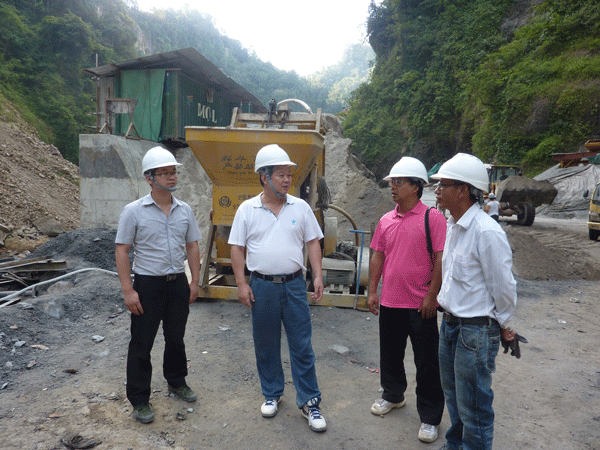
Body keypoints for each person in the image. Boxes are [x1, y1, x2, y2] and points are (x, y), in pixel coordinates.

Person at [228, 144, 327, 433]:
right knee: (266, 343)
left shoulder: (301, 208)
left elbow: (313, 242)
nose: (287, 180)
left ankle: (310, 401)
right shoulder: (247, 210)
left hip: (294, 285)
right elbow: (237, 248)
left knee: (302, 345)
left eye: (289, 175)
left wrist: (317, 276)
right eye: (281, 174)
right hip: (262, 286)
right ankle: (272, 393)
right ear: (264, 177)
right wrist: (241, 283)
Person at [431, 153, 521, 450]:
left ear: (462, 190)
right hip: (451, 325)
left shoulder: (486, 231)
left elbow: (503, 286)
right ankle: (455, 445)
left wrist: (505, 324)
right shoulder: (453, 225)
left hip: (476, 331)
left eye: (444, 184)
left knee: (474, 405)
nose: (437, 190)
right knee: (454, 397)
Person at [115, 146, 202, 424]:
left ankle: (177, 381)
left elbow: (192, 245)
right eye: (164, 173)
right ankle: (140, 399)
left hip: (177, 283)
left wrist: (195, 281)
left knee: (176, 338)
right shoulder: (133, 212)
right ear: (149, 178)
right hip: (147, 286)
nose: (171, 176)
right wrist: (128, 290)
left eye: (173, 172)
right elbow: (122, 250)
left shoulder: (184, 210)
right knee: (142, 343)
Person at [368, 156, 446, 444]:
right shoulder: (385, 220)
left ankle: (430, 417)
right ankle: (393, 395)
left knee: (427, 362)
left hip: (420, 304)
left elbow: (440, 259)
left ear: (416, 186)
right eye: (392, 182)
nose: (393, 187)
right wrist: (372, 290)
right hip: (391, 301)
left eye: (399, 182)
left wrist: (431, 295)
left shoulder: (432, 218)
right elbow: (377, 256)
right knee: (390, 354)